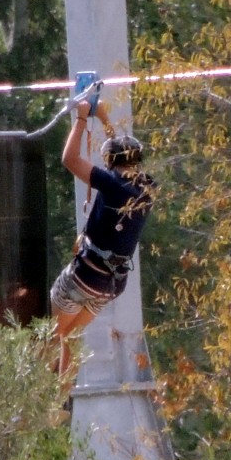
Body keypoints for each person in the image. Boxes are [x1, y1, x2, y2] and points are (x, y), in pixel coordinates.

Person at [50, 99, 156, 378]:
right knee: (71, 338)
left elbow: (69, 160)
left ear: (112, 163)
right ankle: (59, 401)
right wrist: (105, 119)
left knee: (51, 334)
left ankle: (32, 397)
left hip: (84, 277)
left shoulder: (111, 184)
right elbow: (118, 159)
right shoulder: (146, 187)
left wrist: (82, 119)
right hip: (110, 284)